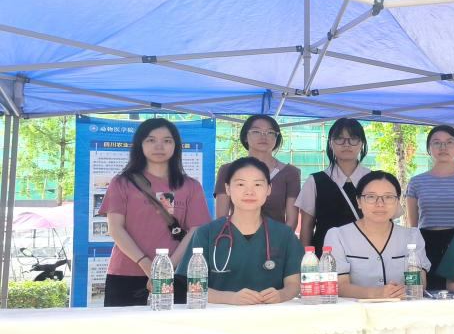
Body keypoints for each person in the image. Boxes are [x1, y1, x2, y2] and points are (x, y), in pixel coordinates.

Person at [99, 118, 211, 306]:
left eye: (167, 140)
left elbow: (195, 230)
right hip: (126, 274)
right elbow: (116, 229)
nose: (159, 146)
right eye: (151, 140)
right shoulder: (121, 183)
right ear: (140, 144)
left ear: (175, 146)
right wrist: (148, 266)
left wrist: (166, 270)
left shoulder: (191, 186)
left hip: (175, 275)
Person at [179, 157, 303, 304]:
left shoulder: (284, 235)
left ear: (268, 189)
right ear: (227, 188)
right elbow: (190, 286)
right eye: (240, 184)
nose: (249, 192)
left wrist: (281, 295)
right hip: (217, 316)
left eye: (257, 184)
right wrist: (229, 298)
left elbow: (294, 284)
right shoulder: (206, 233)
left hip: (270, 315)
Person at [324, 171, 430, 299]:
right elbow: (338, 285)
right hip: (356, 310)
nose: (380, 204)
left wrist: (405, 291)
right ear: (358, 201)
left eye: (388, 197)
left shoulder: (412, 236)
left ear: (397, 201)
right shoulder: (337, 236)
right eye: (371, 197)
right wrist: (375, 293)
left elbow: (420, 281)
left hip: (403, 309)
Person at [406, 125, 454, 290]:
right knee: (427, 291)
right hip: (426, 244)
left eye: (450, 142)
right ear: (429, 149)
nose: (443, 147)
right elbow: (412, 227)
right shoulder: (416, 182)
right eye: (437, 142)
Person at [296, 118, 374, 256]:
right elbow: (307, 227)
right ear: (330, 143)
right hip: (326, 257)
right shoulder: (315, 181)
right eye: (339, 139)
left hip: (368, 255)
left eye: (353, 138)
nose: (346, 144)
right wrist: (305, 261)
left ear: (362, 143)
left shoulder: (375, 180)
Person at [214, 114, 300, 227]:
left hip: (277, 237)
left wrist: (281, 237)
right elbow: (221, 217)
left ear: (276, 137)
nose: (263, 136)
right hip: (235, 236)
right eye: (256, 131)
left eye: (270, 132)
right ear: (245, 136)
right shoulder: (227, 170)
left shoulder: (290, 172)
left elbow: (292, 220)